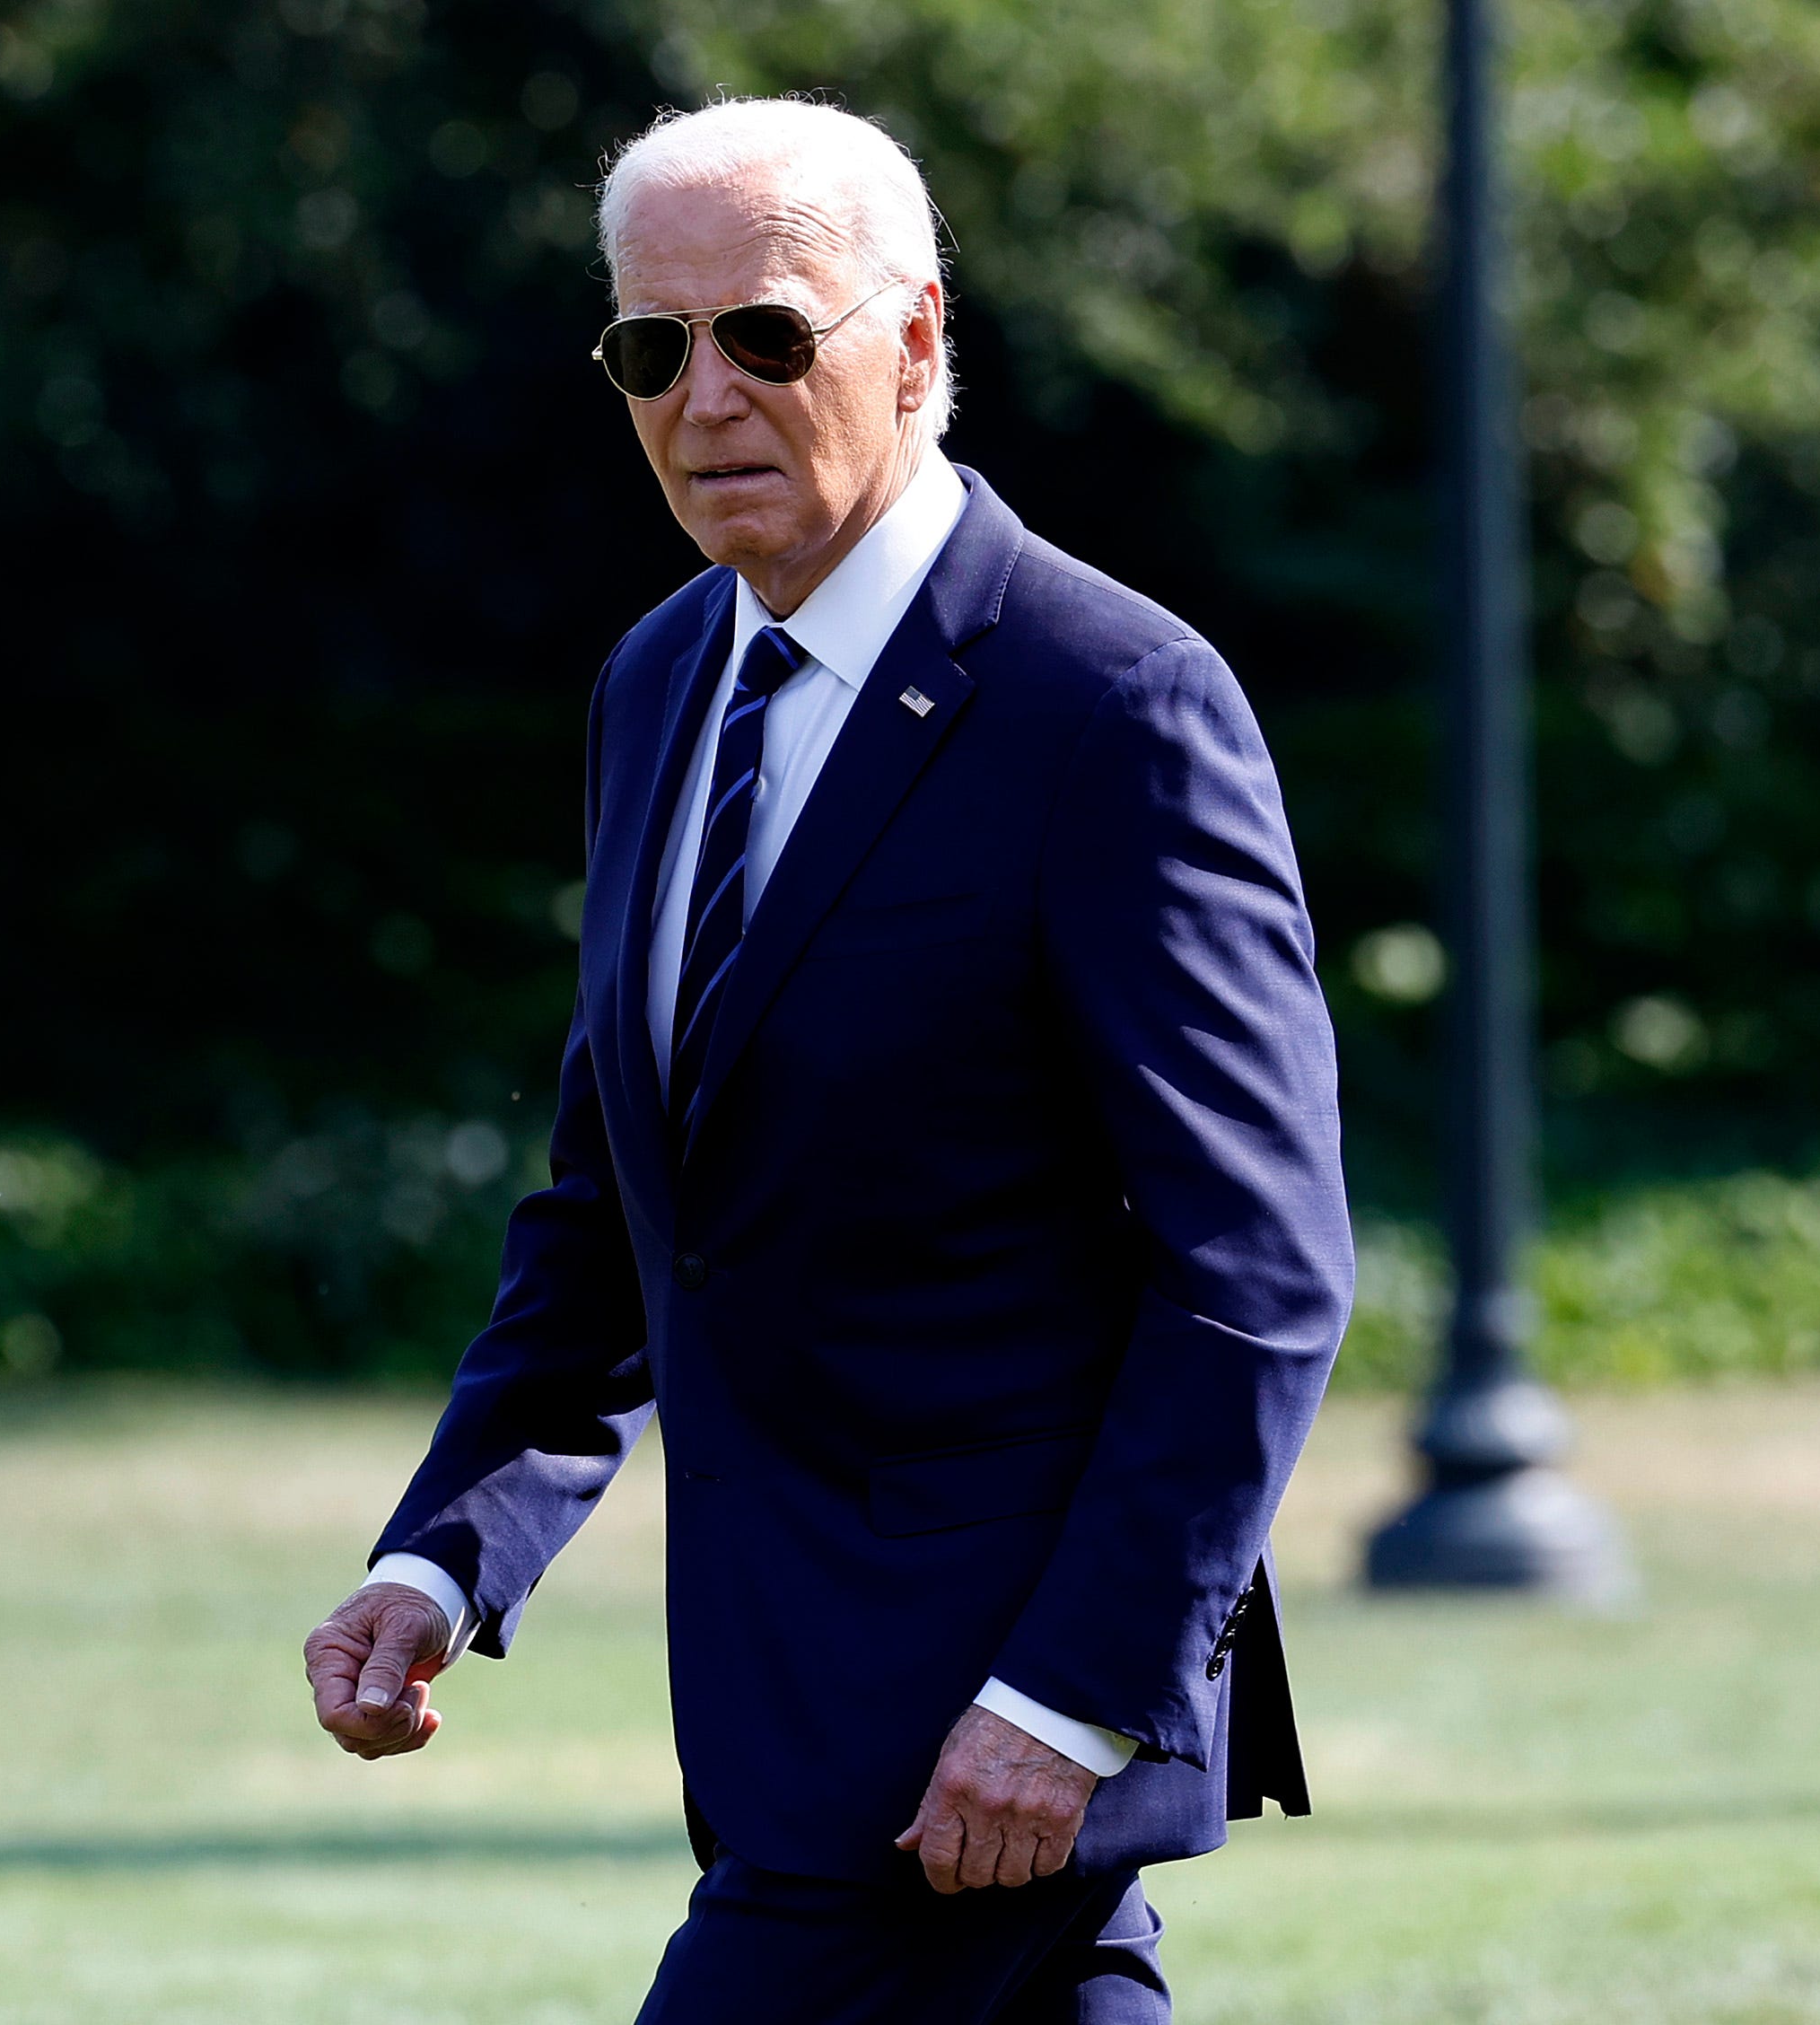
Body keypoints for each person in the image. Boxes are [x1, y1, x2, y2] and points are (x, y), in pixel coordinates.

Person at [303, 96, 1353, 2023]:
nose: (707, 397)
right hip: (792, 1705)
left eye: (769, 335)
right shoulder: (657, 679)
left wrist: (1075, 1698)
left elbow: (1259, 1270)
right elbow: (625, 1209)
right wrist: (443, 1563)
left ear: (921, 341)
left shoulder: (1110, 701)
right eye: (651, 348)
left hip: (990, 1720)